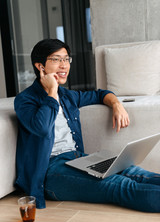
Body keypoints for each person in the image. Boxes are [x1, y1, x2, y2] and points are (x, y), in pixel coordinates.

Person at [14, 39, 160, 212]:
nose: (64, 65)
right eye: (56, 59)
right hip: (51, 172)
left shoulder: (67, 96)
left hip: (78, 159)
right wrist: (52, 92)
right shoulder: (25, 100)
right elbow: (42, 128)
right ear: (40, 66)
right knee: (119, 185)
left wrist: (116, 104)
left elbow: (100, 94)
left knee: (134, 172)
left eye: (66, 59)